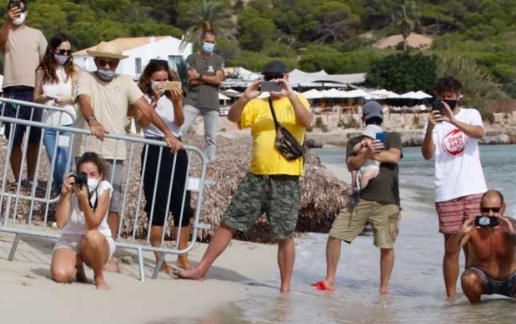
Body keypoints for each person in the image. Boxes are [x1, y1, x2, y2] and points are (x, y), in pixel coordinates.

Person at [178, 61, 312, 293]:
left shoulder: (298, 100)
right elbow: (233, 118)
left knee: (285, 233)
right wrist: (244, 97)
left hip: (286, 177)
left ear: (287, 77)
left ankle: (285, 287)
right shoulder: (257, 104)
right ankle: (201, 269)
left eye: (277, 76)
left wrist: (289, 94)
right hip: (256, 175)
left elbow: (307, 121)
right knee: (229, 222)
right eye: (269, 76)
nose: (274, 81)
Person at [75, 43, 182, 242]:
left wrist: (168, 132)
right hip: (87, 149)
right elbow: (84, 100)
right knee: (84, 199)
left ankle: (109, 249)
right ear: (96, 61)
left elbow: (146, 110)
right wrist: (92, 120)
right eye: (103, 62)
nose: (107, 66)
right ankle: (81, 244)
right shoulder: (86, 76)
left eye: (112, 63)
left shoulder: (125, 81)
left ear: (117, 64)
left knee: (113, 202)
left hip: (115, 151)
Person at [321, 100, 402, 294]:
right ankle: (330, 279)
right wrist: (367, 154)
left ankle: (384, 288)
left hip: (387, 199)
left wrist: (371, 153)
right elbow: (351, 165)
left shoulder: (392, 136)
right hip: (360, 199)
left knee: (386, 244)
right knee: (335, 234)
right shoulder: (354, 141)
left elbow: (394, 157)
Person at [421, 76, 487, 299]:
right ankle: (450, 296)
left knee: (474, 244)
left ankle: (472, 290)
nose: (447, 103)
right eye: (443, 100)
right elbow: (427, 154)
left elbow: (479, 133)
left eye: (451, 99)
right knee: (451, 248)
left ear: (459, 97)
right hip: (446, 191)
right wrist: (431, 128)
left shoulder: (471, 114)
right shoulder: (433, 123)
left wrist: (453, 120)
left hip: (473, 188)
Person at [137, 59, 194, 272]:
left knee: (182, 202)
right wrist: (153, 100)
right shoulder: (142, 97)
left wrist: (177, 101)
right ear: (149, 80)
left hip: (177, 147)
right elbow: (142, 123)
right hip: (154, 148)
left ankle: (182, 255)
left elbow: (179, 123)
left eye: (165, 80)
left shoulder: (174, 96)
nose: (161, 83)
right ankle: (159, 257)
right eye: (157, 80)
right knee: (157, 201)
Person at [450, 190, 516, 304]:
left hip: (510, 278)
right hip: (482, 278)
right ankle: (477, 312)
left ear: (503, 208)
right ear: (480, 208)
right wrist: (460, 232)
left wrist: (515, 235)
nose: (490, 214)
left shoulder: (513, 225)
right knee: (468, 279)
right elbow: (451, 251)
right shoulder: (472, 227)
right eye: (485, 210)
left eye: (495, 210)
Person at [0, 0, 46, 185]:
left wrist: (43, 89)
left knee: (34, 138)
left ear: (27, 12)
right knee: (14, 138)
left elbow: (45, 62)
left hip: (34, 91)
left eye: (21, 10)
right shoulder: (3, 32)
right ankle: (17, 178)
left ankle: (31, 177)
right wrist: (7, 22)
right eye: (13, 10)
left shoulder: (37, 34)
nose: (17, 14)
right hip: (11, 91)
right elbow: (0, 44)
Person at [51, 152, 115, 290]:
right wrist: (65, 194)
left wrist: (85, 201)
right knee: (61, 275)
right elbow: (61, 223)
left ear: (101, 176)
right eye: (84, 174)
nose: (88, 178)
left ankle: (99, 277)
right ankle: (77, 265)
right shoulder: (73, 188)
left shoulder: (104, 188)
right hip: (71, 239)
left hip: (97, 240)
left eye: (93, 174)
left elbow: (93, 224)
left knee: (92, 236)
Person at [34, 33, 77, 193]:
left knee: (63, 160)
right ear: (52, 50)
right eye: (61, 51)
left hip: (67, 121)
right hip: (48, 123)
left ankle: (65, 193)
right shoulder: (41, 71)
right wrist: (44, 98)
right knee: (54, 160)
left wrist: (69, 99)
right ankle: (61, 192)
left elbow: (78, 97)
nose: (65, 55)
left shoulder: (73, 71)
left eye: (68, 52)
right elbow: (35, 98)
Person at [180, 27, 224, 161]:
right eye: (207, 41)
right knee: (180, 130)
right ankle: (174, 155)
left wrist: (199, 76)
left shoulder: (218, 59)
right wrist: (210, 80)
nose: (210, 44)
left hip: (211, 103)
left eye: (212, 42)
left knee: (211, 137)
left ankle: (208, 161)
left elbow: (218, 80)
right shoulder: (192, 58)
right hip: (192, 101)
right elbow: (191, 81)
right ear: (201, 41)